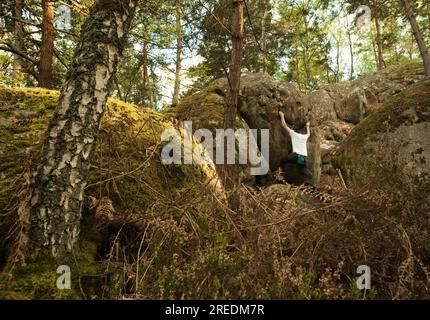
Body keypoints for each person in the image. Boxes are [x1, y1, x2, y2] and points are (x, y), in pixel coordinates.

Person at [278, 111, 311, 185]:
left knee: (283, 160)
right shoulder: (304, 137)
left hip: (295, 156)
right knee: (302, 169)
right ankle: (306, 182)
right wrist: (308, 126)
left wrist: (282, 116)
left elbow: (284, 125)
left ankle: (282, 175)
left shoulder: (293, 134)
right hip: (302, 157)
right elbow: (309, 134)